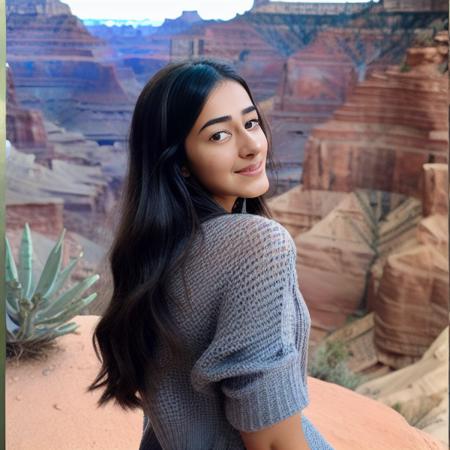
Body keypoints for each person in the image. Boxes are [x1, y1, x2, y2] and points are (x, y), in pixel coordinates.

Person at [88, 57, 334, 450]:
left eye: (251, 123)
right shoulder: (258, 245)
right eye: (219, 136)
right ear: (180, 162)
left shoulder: (156, 251)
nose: (252, 146)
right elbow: (272, 440)